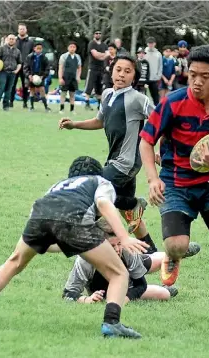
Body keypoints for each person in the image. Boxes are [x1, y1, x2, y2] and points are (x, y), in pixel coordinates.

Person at [0, 156, 148, 339]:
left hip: (38, 216)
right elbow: (103, 203)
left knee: (14, 261)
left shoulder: (58, 185)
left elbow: (46, 219)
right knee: (118, 273)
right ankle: (112, 323)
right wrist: (124, 237)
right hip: (75, 219)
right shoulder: (100, 181)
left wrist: (35, 245)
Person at [139, 45, 209, 328]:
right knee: (176, 245)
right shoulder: (173, 103)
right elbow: (146, 140)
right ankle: (173, 257)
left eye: (205, 76)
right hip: (176, 183)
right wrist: (153, 178)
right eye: (192, 75)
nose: (196, 81)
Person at [59, 54, 159, 252]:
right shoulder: (107, 94)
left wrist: (156, 148)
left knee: (94, 192)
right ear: (111, 71)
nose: (121, 74)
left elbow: (160, 120)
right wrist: (74, 125)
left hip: (126, 162)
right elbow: (100, 121)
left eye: (127, 71)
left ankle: (74, 239)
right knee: (127, 211)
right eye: (118, 69)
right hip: (116, 160)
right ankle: (153, 253)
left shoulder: (138, 99)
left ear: (134, 77)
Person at [63, 236, 201, 304]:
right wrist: (88, 299)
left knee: (153, 261)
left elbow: (141, 284)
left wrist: (126, 298)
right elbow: (69, 293)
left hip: (130, 274)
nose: (117, 249)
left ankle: (174, 252)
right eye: (112, 246)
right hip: (114, 289)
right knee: (164, 295)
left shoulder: (125, 250)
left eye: (119, 244)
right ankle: (165, 288)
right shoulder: (86, 260)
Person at [0, 34, 22, 111]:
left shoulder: (17, 51)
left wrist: (17, 70)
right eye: (10, 39)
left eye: (13, 39)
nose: (11, 40)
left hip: (12, 73)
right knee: (1, 88)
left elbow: (19, 63)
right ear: (7, 39)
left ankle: (6, 106)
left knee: (9, 90)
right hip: (2, 72)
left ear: (15, 41)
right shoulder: (1, 48)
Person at [10, 23, 34, 109]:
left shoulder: (30, 42)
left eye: (23, 29)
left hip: (25, 67)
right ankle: (11, 102)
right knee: (12, 84)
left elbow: (32, 55)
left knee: (25, 85)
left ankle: (25, 103)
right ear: (18, 30)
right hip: (15, 66)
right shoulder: (14, 40)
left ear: (26, 30)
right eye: (20, 29)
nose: (22, 30)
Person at [23, 42, 51, 112]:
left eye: (40, 49)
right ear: (34, 49)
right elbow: (26, 67)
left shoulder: (44, 58)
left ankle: (46, 107)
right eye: (37, 48)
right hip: (32, 76)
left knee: (42, 90)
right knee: (32, 90)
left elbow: (47, 69)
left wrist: (43, 76)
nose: (39, 50)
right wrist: (29, 75)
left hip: (40, 76)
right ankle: (31, 107)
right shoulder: (30, 57)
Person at [85, 30, 109, 110]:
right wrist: (103, 55)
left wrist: (101, 55)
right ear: (94, 35)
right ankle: (87, 104)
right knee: (89, 86)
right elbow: (95, 55)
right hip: (93, 68)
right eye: (96, 33)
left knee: (99, 87)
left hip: (101, 69)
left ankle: (99, 105)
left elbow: (108, 54)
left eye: (99, 33)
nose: (98, 34)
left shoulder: (104, 45)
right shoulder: (92, 44)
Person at [58, 41, 82, 114]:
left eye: (74, 47)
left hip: (73, 78)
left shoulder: (77, 57)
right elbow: (61, 67)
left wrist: (78, 77)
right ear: (68, 48)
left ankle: (72, 109)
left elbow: (79, 68)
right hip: (65, 77)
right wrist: (60, 78)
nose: (72, 48)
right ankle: (61, 109)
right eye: (71, 47)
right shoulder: (64, 56)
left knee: (72, 94)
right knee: (63, 93)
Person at [144, 37, 162, 105]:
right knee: (143, 96)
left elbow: (160, 66)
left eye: (152, 43)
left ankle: (156, 111)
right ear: (147, 44)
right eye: (149, 43)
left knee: (155, 97)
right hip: (145, 78)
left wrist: (159, 76)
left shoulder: (158, 54)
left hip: (154, 78)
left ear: (155, 44)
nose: (150, 45)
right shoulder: (144, 52)